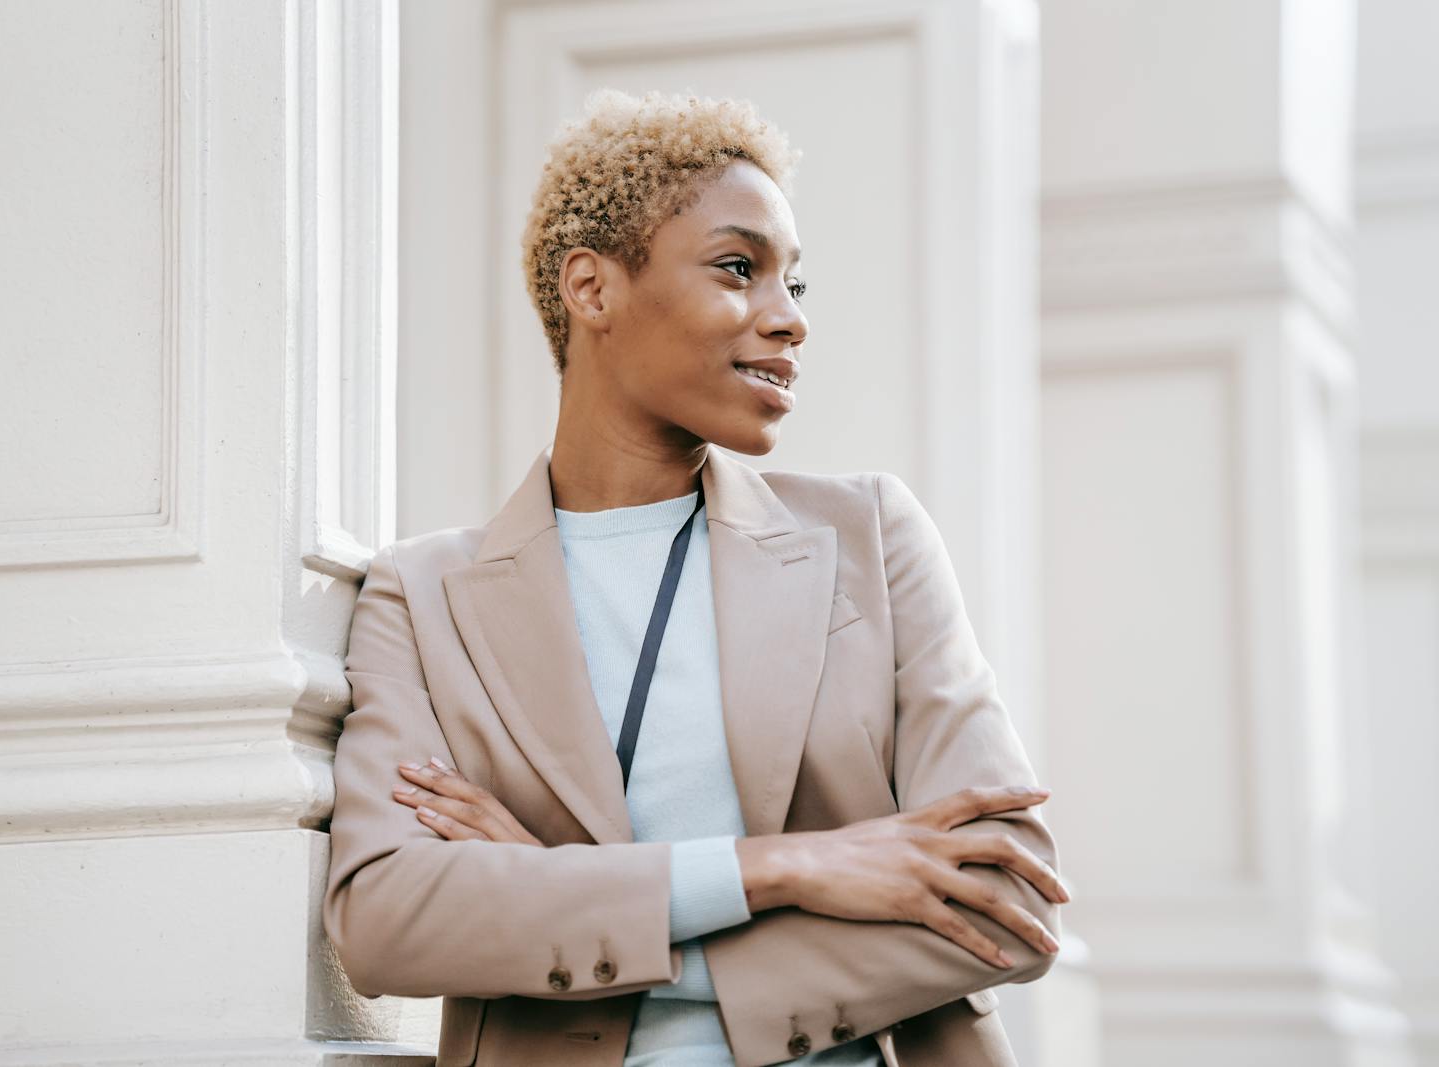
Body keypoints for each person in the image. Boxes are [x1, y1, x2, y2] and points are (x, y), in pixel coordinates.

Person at [324, 87, 1068, 1067]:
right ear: (591, 288)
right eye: (737, 269)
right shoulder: (421, 595)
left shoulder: (868, 538)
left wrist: (558, 888)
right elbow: (386, 920)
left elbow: (1008, 896)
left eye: (793, 285)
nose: (788, 319)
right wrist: (791, 867)